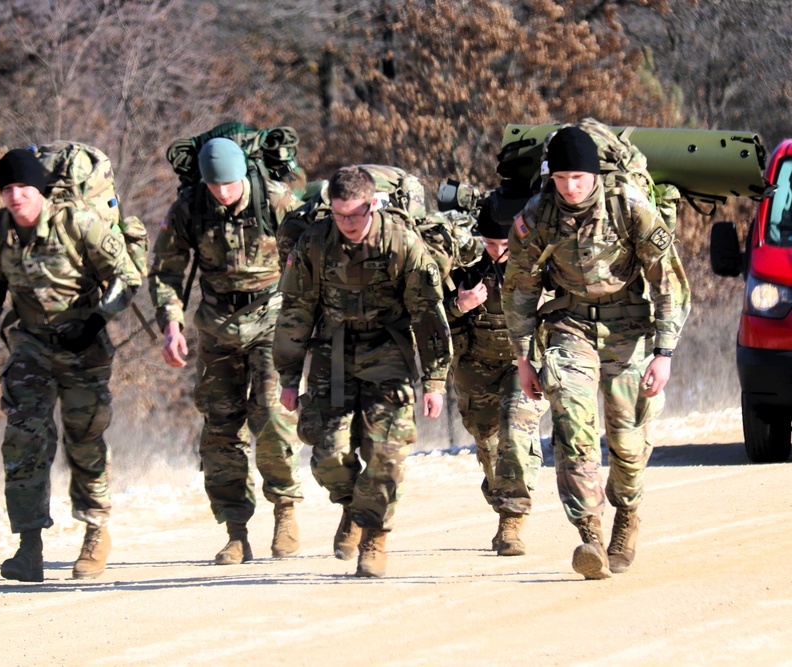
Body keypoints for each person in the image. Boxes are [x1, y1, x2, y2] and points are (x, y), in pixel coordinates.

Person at [502, 127, 690, 579]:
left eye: (580, 178)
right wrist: (525, 357)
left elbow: (669, 282)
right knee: (571, 421)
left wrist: (664, 351)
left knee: (627, 437)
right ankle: (590, 534)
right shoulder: (538, 214)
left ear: (595, 176)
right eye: (563, 177)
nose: (571, 187)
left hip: (630, 325)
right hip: (570, 324)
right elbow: (519, 290)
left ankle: (626, 515)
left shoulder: (628, 205)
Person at [0, 148, 145, 582]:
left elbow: (126, 276)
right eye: (8, 189)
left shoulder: (78, 224)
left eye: (24, 188)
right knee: (23, 438)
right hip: (30, 343)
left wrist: (96, 320)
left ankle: (95, 531)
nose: (16, 197)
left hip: (82, 345)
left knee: (84, 440)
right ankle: (29, 547)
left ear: (41, 191)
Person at [274, 166, 452, 578]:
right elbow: (296, 310)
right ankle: (353, 507)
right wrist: (288, 376)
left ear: (373, 205)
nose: (348, 224)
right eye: (339, 215)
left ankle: (374, 538)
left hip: (388, 350)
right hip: (331, 351)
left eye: (355, 215)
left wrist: (436, 378)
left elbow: (428, 311)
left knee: (386, 453)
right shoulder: (315, 243)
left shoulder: (401, 243)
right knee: (328, 456)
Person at [149, 137, 305, 565]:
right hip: (217, 326)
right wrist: (171, 325)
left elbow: (313, 252)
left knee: (274, 415)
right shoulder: (190, 207)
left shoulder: (275, 199)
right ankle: (236, 530)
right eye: (215, 184)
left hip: (272, 318)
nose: (223, 192)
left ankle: (285, 512)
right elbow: (165, 270)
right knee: (220, 429)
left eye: (230, 184)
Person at [448, 193, 547, 557]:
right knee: (489, 444)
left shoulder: (538, 258)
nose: (496, 251)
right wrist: (460, 304)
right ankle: (500, 492)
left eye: (504, 244)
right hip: (476, 368)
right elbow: (427, 315)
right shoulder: (462, 263)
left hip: (524, 363)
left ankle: (511, 524)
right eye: (489, 243)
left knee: (515, 433)